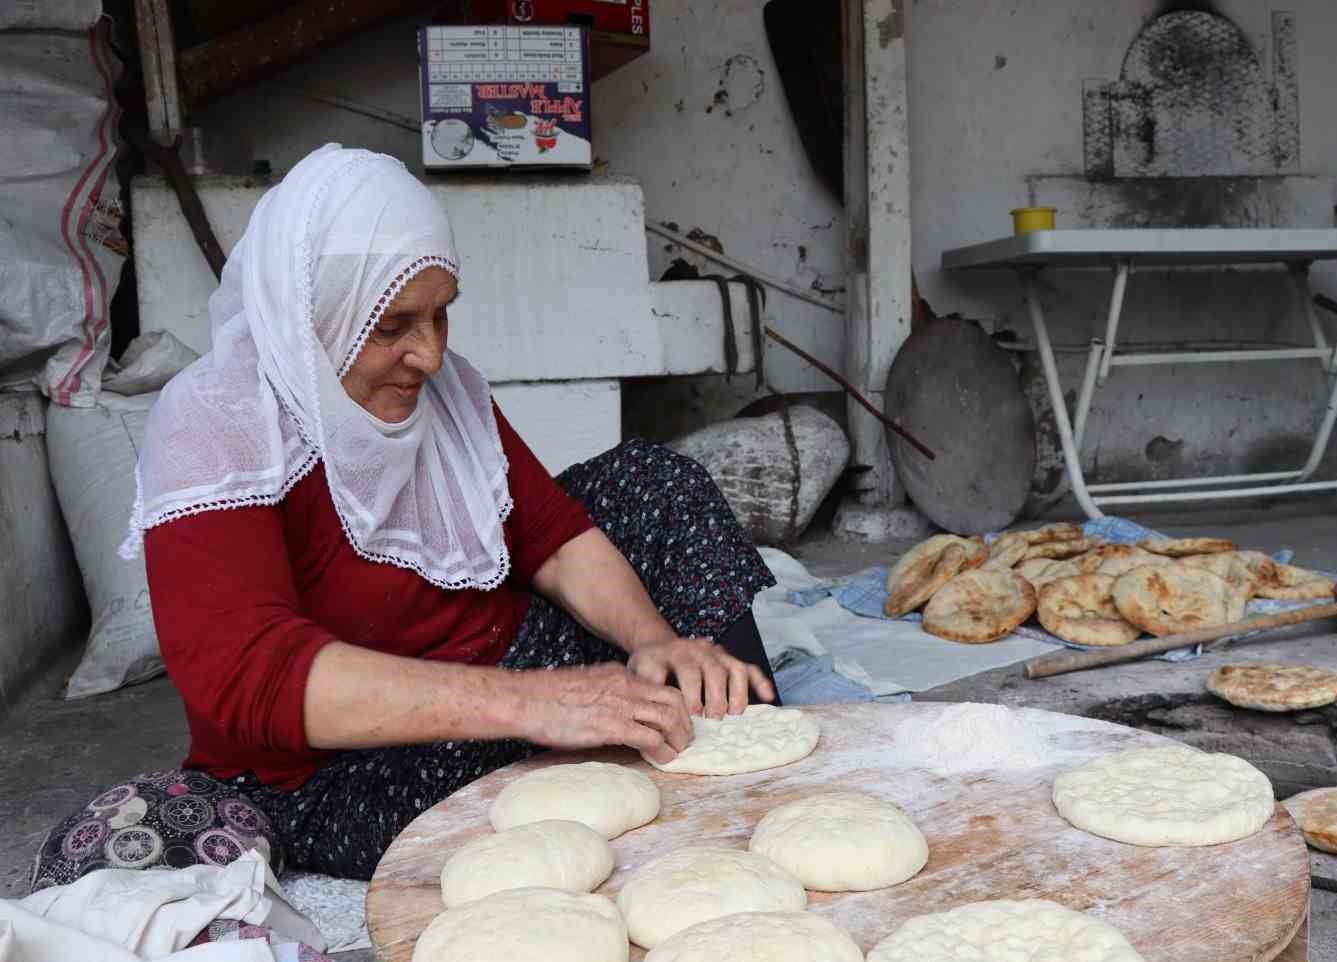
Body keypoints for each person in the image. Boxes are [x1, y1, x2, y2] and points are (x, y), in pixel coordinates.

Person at [34, 145, 779, 887]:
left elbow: (548, 535)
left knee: (652, 481)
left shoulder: (444, 390)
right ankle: (688, 770)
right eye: (391, 326)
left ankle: (747, 743)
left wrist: (654, 641)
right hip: (354, 767)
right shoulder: (217, 422)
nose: (428, 355)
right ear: (314, 312)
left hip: (506, 669)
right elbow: (252, 677)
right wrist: (540, 704)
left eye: (440, 316)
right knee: (550, 814)